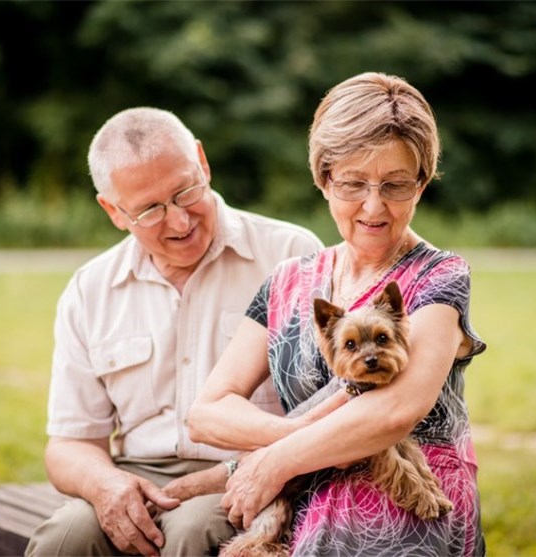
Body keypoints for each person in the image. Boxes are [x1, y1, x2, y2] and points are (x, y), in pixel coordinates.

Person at [187, 72, 487, 556]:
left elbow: (393, 413)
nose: (374, 206)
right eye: (352, 183)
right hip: (296, 514)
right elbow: (206, 413)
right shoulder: (287, 282)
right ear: (323, 179)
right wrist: (291, 439)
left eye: (396, 184)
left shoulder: (441, 278)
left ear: (423, 183)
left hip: (409, 514)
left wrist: (275, 461)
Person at [25, 107, 323, 557]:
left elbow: (329, 408)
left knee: (190, 533)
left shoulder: (290, 255)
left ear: (202, 163)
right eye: (149, 210)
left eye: (186, 192)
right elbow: (69, 444)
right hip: (134, 474)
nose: (180, 222)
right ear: (114, 211)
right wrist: (107, 486)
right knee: (63, 541)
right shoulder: (91, 289)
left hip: (250, 471)